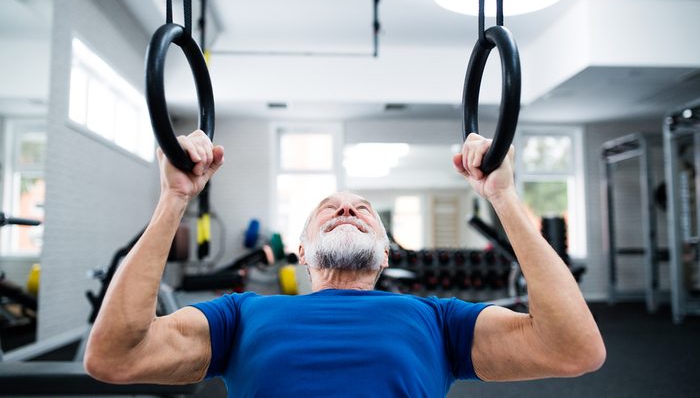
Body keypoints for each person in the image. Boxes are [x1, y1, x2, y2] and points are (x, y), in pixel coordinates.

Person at [84, 130, 605, 396]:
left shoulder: (439, 319)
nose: (347, 208)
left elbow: (574, 349)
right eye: (327, 209)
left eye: (363, 210)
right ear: (303, 252)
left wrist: (504, 197)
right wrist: (174, 199)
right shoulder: (239, 316)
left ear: (384, 251)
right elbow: (114, 358)